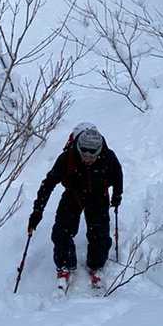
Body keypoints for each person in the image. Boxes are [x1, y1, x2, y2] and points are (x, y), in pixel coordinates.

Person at [28, 122, 123, 289]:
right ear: (78, 148)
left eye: (92, 155)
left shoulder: (108, 157)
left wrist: (117, 195)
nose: (87, 158)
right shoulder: (67, 158)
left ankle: (96, 265)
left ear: (99, 151)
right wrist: (37, 212)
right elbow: (48, 184)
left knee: (99, 233)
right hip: (74, 194)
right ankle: (65, 264)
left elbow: (117, 175)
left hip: (98, 195)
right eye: (84, 154)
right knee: (62, 230)